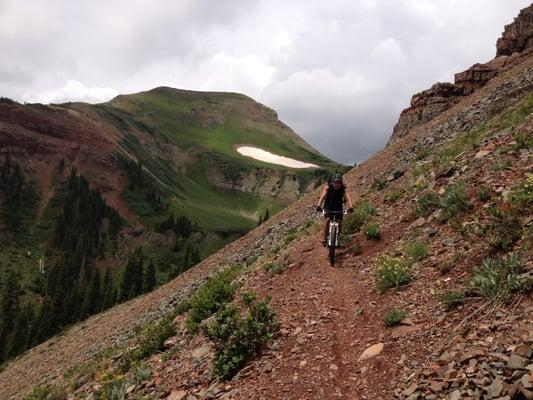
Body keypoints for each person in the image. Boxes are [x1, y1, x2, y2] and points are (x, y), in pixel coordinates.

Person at [316, 173, 354, 246]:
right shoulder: (327, 188)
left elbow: (347, 198)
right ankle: (324, 238)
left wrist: (351, 207)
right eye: (335, 182)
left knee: (339, 222)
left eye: (338, 182)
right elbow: (323, 196)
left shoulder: (343, 189)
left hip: (338, 206)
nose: (337, 184)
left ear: (341, 183)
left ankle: (338, 237)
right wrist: (318, 205)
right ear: (332, 182)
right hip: (328, 206)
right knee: (327, 220)